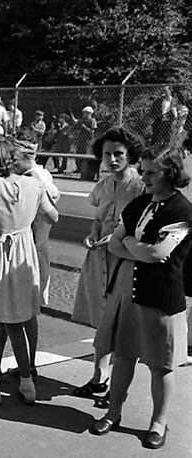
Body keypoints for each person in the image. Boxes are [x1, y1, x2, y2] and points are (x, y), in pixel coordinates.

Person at [90, 146, 192, 450]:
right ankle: (114, 412)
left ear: (170, 174)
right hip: (128, 295)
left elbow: (159, 253)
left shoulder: (183, 211)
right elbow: (115, 245)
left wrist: (131, 243)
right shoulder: (139, 204)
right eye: (143, 170)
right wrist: (139, 247)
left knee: (161, 365)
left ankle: (158, 423)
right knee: (123, 357)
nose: (144, 177)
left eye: (150, 172)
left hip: (160, 297)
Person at [0, 137, 58, 406]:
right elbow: (52, 216)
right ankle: (27, 382)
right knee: (18, 324)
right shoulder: (34, 184)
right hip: (24, 253)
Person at [72, 128, 145, 398]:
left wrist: (117, 239)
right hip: (99, 257)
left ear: (130, 155)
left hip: (125, 258)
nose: (112, 159)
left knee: (123, 322)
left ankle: (118, 388)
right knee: (102, 319)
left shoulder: (140, 185)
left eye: (118, 154)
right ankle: (98, 378)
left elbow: (142, 226)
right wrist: (93, 234)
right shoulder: (103, 185)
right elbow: (98, 220)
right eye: (107, 154)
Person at [13, 137, 60, 375]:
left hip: (30, 252)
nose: (10, 164)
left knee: (26, 313)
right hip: (30, 250)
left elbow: (52, 206)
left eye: (13, 159)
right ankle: (26, 364)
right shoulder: (37, 175)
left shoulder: (37, 178)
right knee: (21, 314)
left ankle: (29, 365)